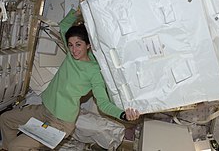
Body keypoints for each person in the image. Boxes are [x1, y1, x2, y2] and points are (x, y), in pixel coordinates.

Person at [0, 9, 140, 151]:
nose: (74, 50)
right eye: (71, 45)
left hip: (60, 123)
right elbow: (63, 26)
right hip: (44, 110)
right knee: (5, 119)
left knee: (16, 147)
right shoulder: (70, 56)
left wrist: (123, 114)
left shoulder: (94, 71)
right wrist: (77, 11)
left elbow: (103, 104)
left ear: (88, 45)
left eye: (78, 44)